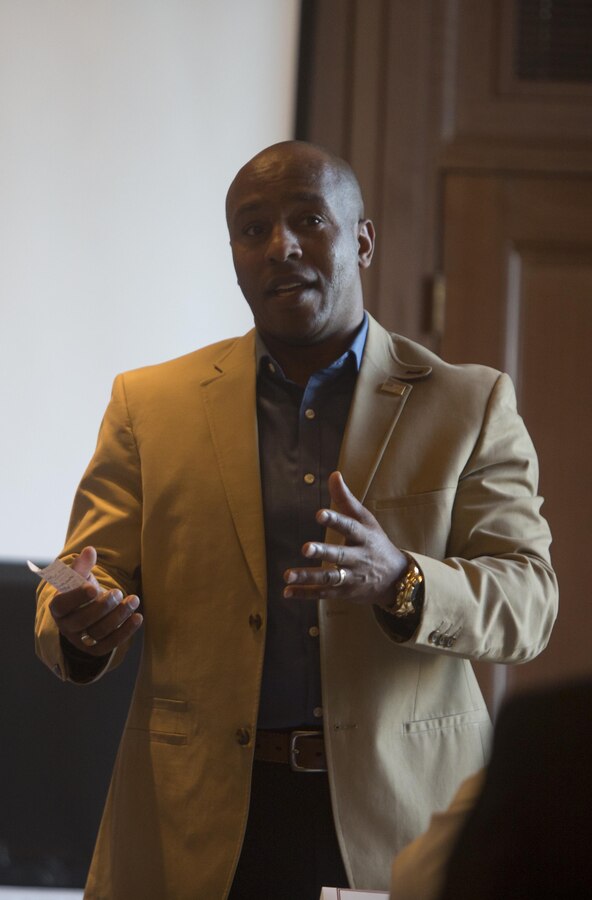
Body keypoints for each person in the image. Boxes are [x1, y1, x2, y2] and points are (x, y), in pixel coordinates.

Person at [35, 141, 558, 900]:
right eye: (253, 230)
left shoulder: (468, 406)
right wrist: (77, 624)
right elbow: (80, 575)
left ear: (363, 240)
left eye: (309, 219)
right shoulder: (150, 406)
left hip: (403, 819)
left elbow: (530, 602)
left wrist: (402, 580)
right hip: (196, 819)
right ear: (236, 256)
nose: (280, 246)